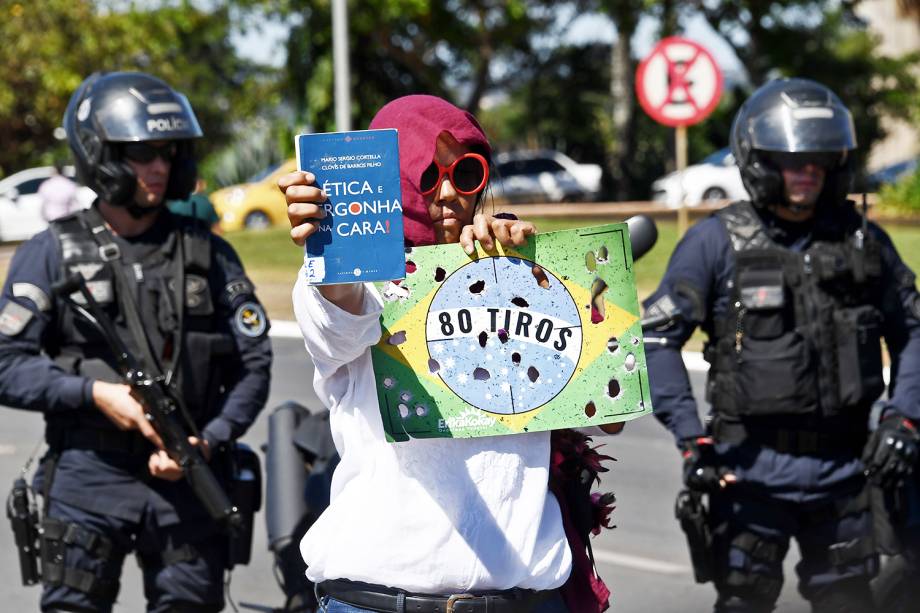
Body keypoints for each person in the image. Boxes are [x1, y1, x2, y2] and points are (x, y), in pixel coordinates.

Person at [279, 95, 621, 613]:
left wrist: (529, 276)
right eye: (422, 175)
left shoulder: (524, 268)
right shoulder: (356, 283)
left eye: (463, 173)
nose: (445, 193)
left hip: (523, 600)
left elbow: (610, 408)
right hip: (378, 603)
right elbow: (340, 316)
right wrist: (332, 241)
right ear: (388, 181)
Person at [642, 77, 920, 613]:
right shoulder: (715, 242)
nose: (807, 173)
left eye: (818, 161)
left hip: (846, 473)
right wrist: (689, 439)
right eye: (792, 161)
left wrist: (904, 418)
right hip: (747, 476)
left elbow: (913, 331)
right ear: (758, 161)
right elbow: (656, 338)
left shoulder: (865, 242)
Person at [0, 71, 273, 612]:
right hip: (87, 478)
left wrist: (210, 440)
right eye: (140, 152)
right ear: (101, 155)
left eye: (167, 153)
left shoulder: (209, 255)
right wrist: (96, 396)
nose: (158, 167)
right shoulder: (51, 252)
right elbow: (6, 364)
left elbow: (255, 364)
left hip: (187, 478)